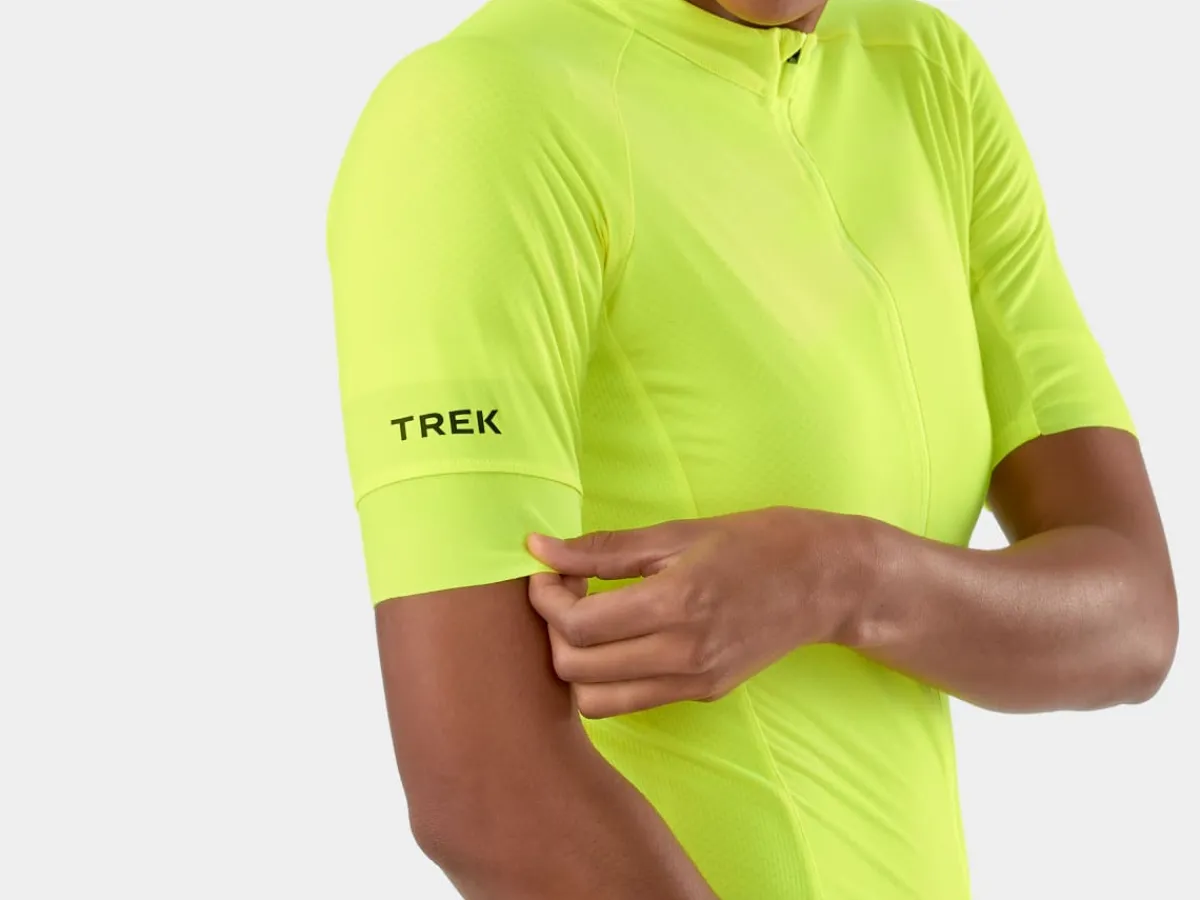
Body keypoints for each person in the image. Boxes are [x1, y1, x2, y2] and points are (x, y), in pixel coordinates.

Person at [325, 0, 1179, 897]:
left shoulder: (920, 68)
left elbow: (1132, 620)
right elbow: (485, 792)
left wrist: (847, 578)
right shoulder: (478, 114)